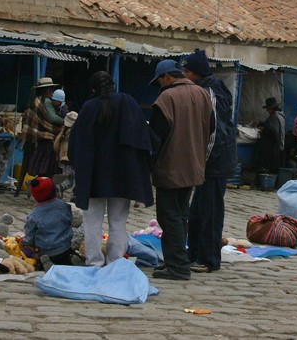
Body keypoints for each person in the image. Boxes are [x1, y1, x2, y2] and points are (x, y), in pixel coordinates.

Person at [68, 71, 156, 268]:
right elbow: (144, 137)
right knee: (118, 222)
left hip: (93, 177)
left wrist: (79, 168)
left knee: (92, 223)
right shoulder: (128, 103)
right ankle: (116, 261)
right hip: (123, 176)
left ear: (92, 89)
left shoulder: (89, 107)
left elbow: (75, 144)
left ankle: (94, 262)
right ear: (113, 85)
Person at [148, 59, 213, 281]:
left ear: (166, 76)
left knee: (170, 218)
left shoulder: (166, 98)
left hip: (171, 166)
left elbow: (157, 135)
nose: (159, 84)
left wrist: (149, 165)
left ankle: (177, 267)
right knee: (181, 215)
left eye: (159, 80)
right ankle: (177, 260)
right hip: (194, 164)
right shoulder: (202, 94)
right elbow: (212, 126)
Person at [182, 49, 237, 274]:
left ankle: (209, 259)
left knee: (211, 213)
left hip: (214, 163)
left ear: (196, 73)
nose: (183, 75)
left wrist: (201, 163)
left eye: (186, 71)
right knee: (197, 212)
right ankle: (194, 253)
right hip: (209, 162)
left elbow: (215, 132)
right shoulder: (206, 88)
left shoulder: (210, 93)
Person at [15, 77, 64, 196]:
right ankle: (42, 188)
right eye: (51, 90)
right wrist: (64, 121)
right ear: (47, 91)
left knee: (32, 165)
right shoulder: (45, 102)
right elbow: (50, 120)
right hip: (45, 137)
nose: (52, 93)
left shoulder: (34, 101)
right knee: (48, 167)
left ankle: (30, 186)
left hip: (33, 137)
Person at [22, 176, 75, 269]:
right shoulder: (64, 206)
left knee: (25, 249)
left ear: (35, 196)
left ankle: (42, 262)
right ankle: (71, 258)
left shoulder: (34, 215)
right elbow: (69, 222)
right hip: (66, 248)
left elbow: (29, 239)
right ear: (54, 191)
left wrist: (26, 244)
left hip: (47, 252)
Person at [252, 97, 285, 173]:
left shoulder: (274, 117)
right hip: (274, 145)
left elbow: (273, 130)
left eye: (268, 108)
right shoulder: (278, 116)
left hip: (272, 146)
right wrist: (260, 123)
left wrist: (263, 129)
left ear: (271, 108)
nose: (267, 110)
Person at [53, 110, 78, 201]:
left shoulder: (63, 131)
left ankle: (62, 187)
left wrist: (59, 154)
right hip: (71, 159)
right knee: (74, 179)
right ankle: (71, 193)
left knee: (68, 177)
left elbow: (56, 144)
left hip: (63, 159)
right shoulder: (74, 133)